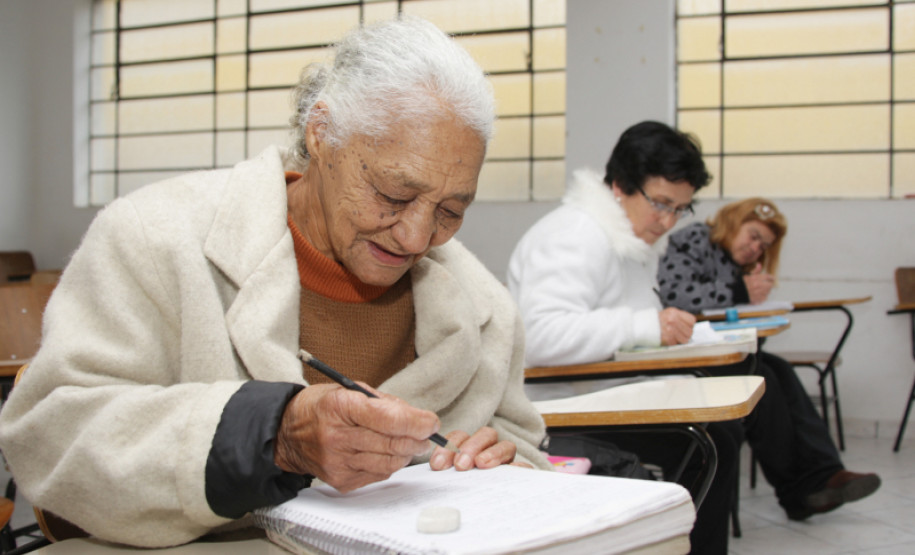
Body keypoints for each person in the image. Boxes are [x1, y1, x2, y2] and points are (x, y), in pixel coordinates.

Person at [0, 16, 551, 548]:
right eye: (393, 195)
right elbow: (54, 434)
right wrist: (272, 436)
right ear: (320, 133)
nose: (415, 237)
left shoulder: (483, 308)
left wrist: (496, 463)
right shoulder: (154, 240)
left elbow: (526, 448)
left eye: (451, 210)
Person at [507, 120, 742, 555]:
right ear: (620, 185)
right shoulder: (576, 234)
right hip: (559, 406)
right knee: (710, 444)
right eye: (660, 203)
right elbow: (541, 336)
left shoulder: (631, 240)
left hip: (603, 393)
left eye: (680, 209)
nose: (668, 220)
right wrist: (648, 327)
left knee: (718, 433)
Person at [657, 198, 881, 521]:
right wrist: (740, 290)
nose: (755, 248)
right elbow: (675, 295)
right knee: (763, 378)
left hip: (712, 349)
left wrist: (747, 296)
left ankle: (823, 474)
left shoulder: (735, 262)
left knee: (779, 369)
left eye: (763, 245)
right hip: (682, 353)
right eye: (752, 235)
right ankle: (801, 489)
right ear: (733, 222)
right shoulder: (695, 239)